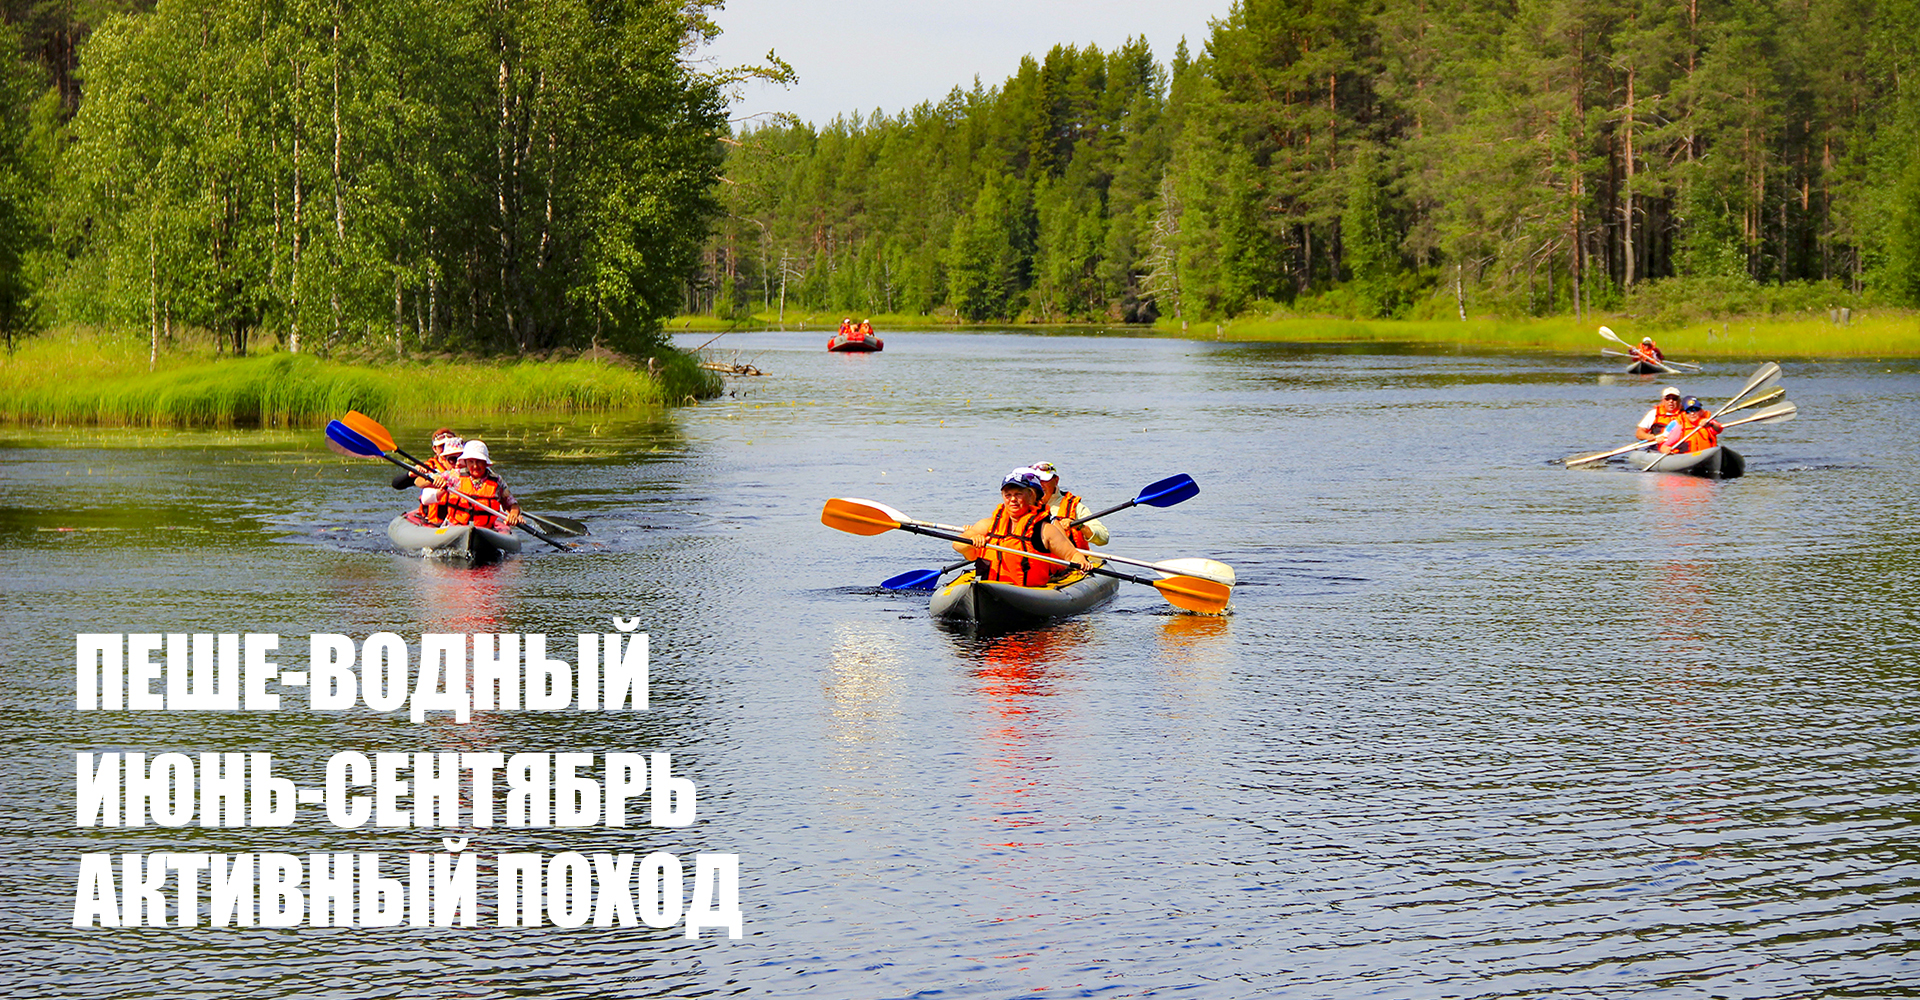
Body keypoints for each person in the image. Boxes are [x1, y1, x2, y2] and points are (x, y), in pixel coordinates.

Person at [953, 468, 1089, 586]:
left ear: (1030, 496)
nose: (1012, 499)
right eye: (1008, 495)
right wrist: (972, 541)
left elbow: (1072, 555)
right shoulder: (988, 524)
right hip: (989, 586)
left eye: (1018, 494)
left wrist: (1082, 563)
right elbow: (957, 544)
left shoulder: (1045, 530)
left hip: (1027, 591)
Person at [440, 440, 522, 531]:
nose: (475, 466)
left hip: (485, 530)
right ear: (466, 462)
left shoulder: (497, 481)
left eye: (479, 461)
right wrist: (437, 479)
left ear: (485, 463)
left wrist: (513, 514)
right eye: (471, 461)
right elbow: (423, 481)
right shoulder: (455, 476)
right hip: (454, 527)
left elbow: (512, 504)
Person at [1028, 461, 1109, 549]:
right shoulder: (1019, 504)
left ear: (1056, 481)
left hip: (1069, 560)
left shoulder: (1074, 507)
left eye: (1044, 481)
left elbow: (1103, 538)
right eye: (1036, 481)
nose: (1040, 485)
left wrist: (1079, 525)